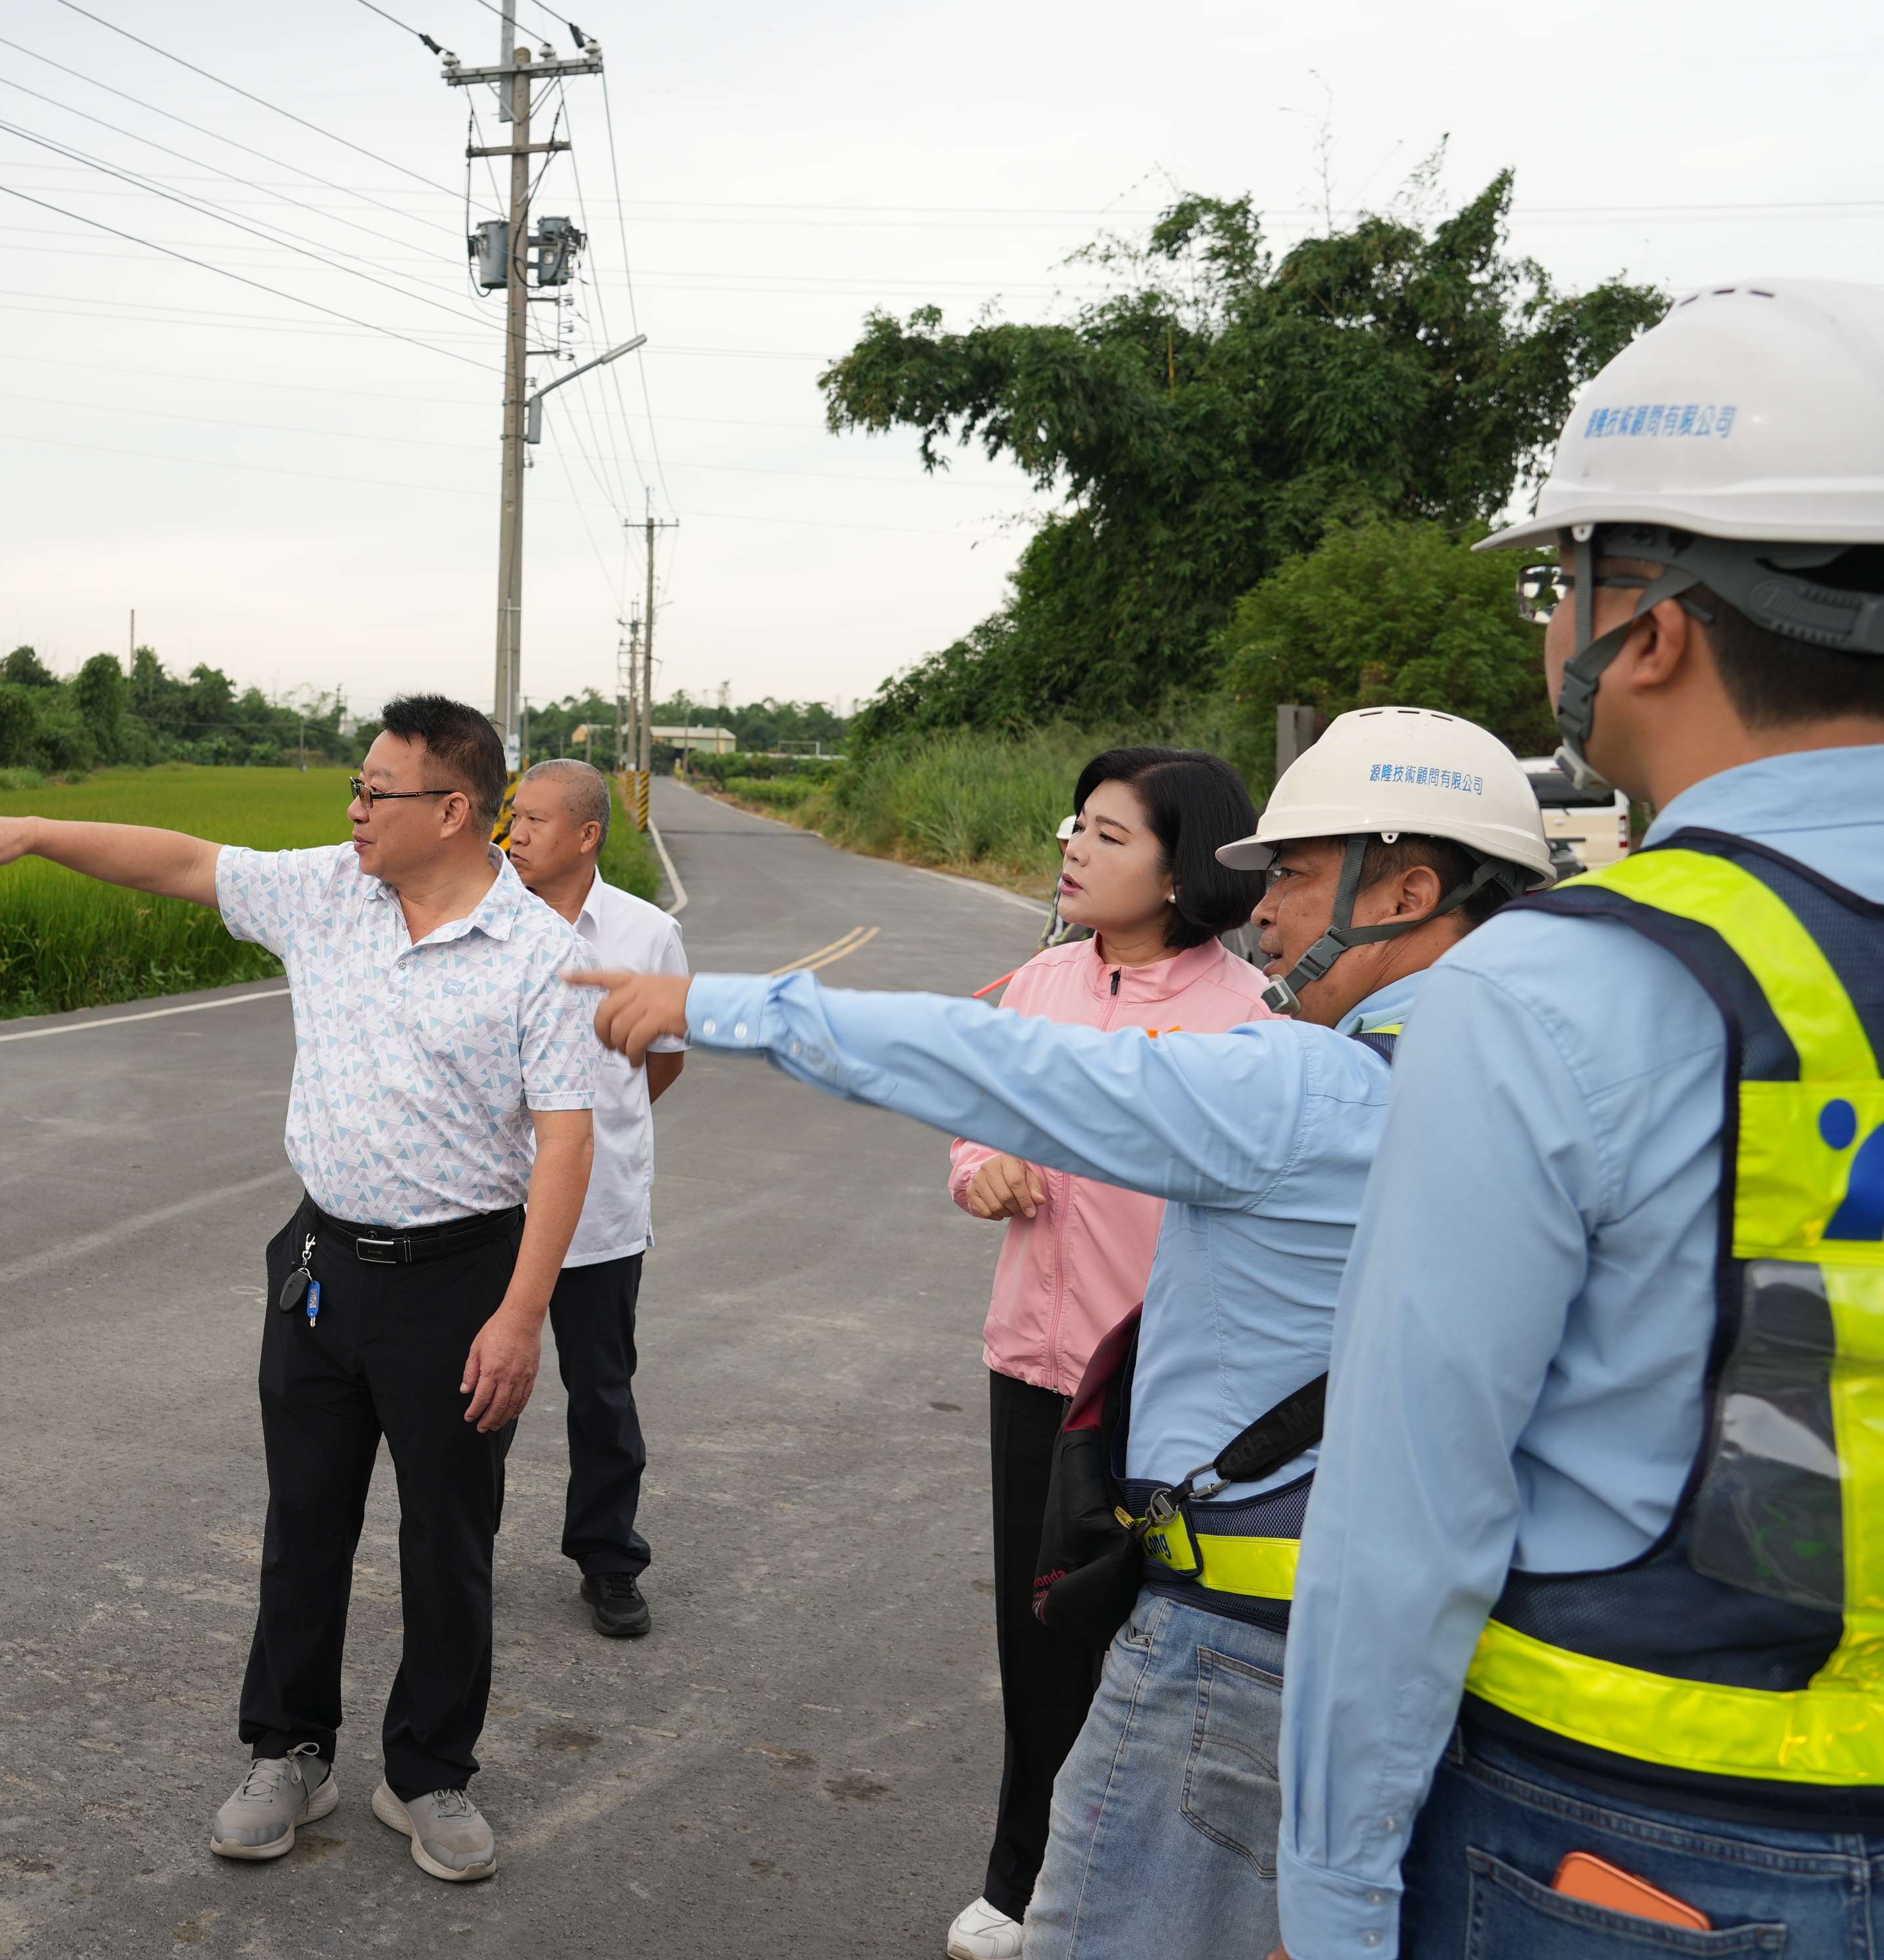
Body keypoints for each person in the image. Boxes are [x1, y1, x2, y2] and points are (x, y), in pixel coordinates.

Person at [574, 708, 1554, 1960]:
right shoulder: (1543, 1078)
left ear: (1410, 887)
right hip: (1414, 1629)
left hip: (1234, 1644)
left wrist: (718, 1006)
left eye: (1300, 875)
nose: (1270, 914)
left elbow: (1007, 1071)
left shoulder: (1306, 1084)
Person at [1272, 283, 1884, 1959]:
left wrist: (1331, 1898)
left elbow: (1408, 1514)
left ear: (1656, 623)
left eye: (1566, 578)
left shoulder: (1551, 994)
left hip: (1639, 1838)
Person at [0, 695, 597, 1885]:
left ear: (452, 808)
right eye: (355, 786)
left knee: (449, 1536)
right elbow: (177, 859)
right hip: (324, 1263)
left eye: (376, 791)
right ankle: (288, 1749)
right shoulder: (329, 888)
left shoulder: (543, 954)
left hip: (463, 1279)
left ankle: (428, 1770)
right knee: (305, 1520)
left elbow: (567, 1139)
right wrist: (35, 827)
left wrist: (521, 1313)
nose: (354, 809)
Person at [945, 748, 1273, 1960]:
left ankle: (1150, 1900)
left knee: (1166, 1649)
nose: (1074, 850)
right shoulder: (1036, 982)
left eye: (1108, 834)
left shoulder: (1246, 1017)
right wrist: (984, 1171)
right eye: (1074, 827)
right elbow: (974, 1124)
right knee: (1037, 1637)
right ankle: (1020, 1882)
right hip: (1034, 1366)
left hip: (1173, 1387)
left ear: (1183, 871)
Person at [506, 757, 690, 1640]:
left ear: (586, 834)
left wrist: (589, 1140)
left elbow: (666, 1054)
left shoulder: (646, 933)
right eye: (512, 816)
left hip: (600, 1209)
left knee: (602, 1393)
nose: (515, 833)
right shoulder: (484, 917)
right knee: (474, 1389)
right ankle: (458, 1549)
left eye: (535, 819)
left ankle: (609, 1558)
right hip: (491, 1205)